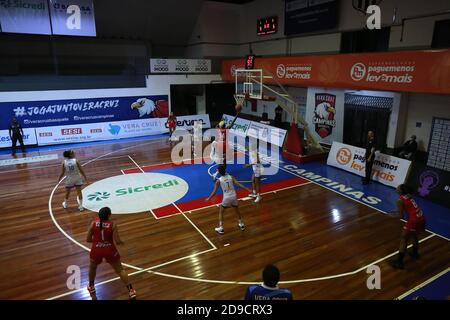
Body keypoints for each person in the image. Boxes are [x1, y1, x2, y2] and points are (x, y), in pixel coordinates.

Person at [86, 207, 137, 300]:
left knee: (92, 268)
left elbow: (88, 239)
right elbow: (117, 241)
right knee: (120, 270)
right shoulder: (112, 225)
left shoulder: (93, 223)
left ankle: (91, 286)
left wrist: (98, 242)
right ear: (109, 215)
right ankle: (131, 291)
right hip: (109, 249)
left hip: (96, 249)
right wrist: (123, 242)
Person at [205, 164, 250, 234]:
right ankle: (241, 224)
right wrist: (247, 189)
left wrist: (209, 198)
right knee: (236, 210)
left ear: (219, 172)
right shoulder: (230, 177)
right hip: (234, 196)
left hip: (226, 198)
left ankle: (221, 228)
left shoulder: (219, 181)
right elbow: (238, 184)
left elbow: (214, 192)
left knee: (221, 212)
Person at [390, 184, 426, 270]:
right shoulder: (409, 196)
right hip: (421, 217)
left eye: (398, 187)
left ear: (401, 191)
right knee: (414, 235)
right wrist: (397, 210)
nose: (396, 188)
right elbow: (409, 207)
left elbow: (401, 216)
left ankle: (399, 262)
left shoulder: (399, 200)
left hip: (414, 221)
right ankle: (415, 254)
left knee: (404, 239)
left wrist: (392, 216)